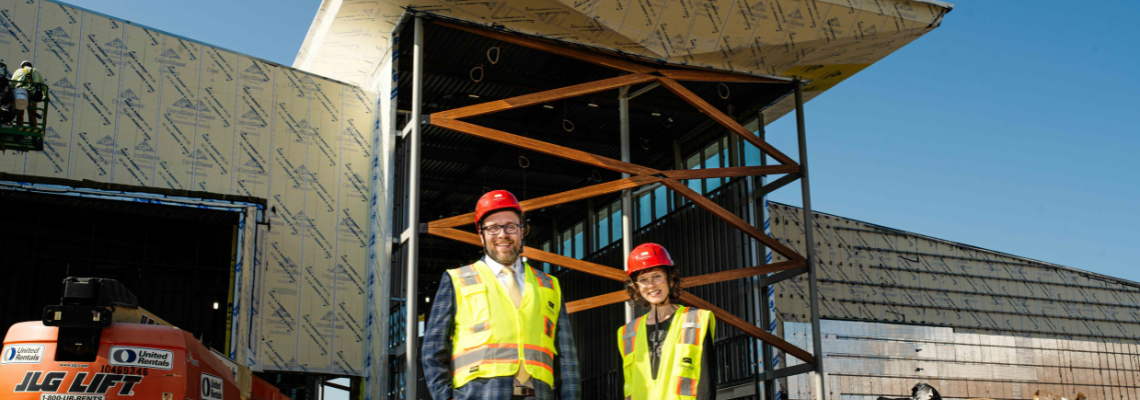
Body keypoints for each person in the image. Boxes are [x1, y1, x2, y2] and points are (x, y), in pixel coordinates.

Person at [423, 190, 580, 400]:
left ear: (522, 231)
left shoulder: (549, 285)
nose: (502, 234)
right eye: (493, 228)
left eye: (510, 226)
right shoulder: (457, 279)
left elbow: (567, 359)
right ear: (482, 234)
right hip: (479, 394)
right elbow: (433, 349)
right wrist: (445, 397)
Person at [617, 243, 717, 400]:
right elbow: (624, 388)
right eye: (643, 279)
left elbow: (706, 384)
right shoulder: (628, 333)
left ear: (670, 279)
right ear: (636, 287)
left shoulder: (695, 320)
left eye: (657, 276)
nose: (651, 285)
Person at [11, 60, 44, 128]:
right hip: (33, 94)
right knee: (32, 114)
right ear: (30, 66)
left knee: (20, 113)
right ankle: (34, 131)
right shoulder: (36, 71)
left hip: (21, 93)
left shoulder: (18, 71)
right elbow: (43, 85)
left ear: (23, 66)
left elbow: (12, 84)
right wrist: (45, 95)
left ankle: (19, 130)